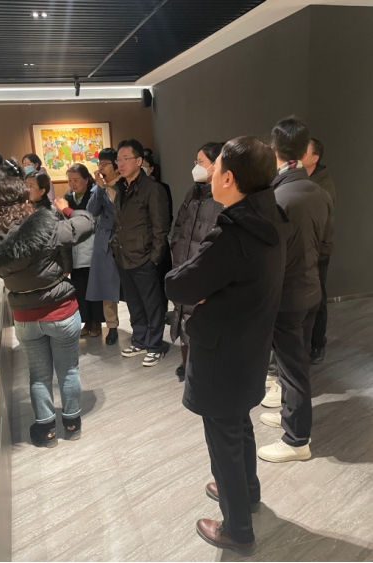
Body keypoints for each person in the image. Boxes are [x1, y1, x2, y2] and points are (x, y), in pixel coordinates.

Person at [165, 137, 288, 554]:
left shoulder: (233, 234)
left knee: (223, 441)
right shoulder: (273, 217)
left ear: (230, 178)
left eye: (214, 167)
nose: (209, 174)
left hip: (221, 352)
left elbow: (179, 285)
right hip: (251, 344)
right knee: (237, 426)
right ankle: (245, 491)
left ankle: (237, 529)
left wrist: (204, 293)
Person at [0, 159, 93, 448]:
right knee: (69, 371)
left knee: (39, 375)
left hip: (25, 317)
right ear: (24, 198)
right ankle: (72, 424)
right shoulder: (44, 226)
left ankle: (46, 430)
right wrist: (65, 208)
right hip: (60, 310)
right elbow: (86, 223)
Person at [258, 117, 333, 463]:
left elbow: (267, 257)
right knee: (296, 360)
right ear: (304, 151)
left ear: (273, 149)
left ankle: (296, 439)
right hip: (311, 288)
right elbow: (326, 246)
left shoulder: (275, 197)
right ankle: (291, 413)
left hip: (287, 295)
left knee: (292, 366)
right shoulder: (320, 192)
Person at [111, 139, 170, 367]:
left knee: (152, 304)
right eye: (119, 159)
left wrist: (154, 259)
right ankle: (140, 340)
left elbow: (160, 228)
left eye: (126, 159)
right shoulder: (120, 188)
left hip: (144, 257)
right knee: (133, 302)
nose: (121, 164)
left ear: (139, 161)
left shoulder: (153, 189)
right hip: (123, 256)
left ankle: (155, 346)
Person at [170, 141, 224, 381]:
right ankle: (188, 365)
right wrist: (176, 249)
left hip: (203, 273)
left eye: (201, 162)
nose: (196, 167)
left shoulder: (222, 199)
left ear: (216, 165)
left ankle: (202, 370)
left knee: (200, 322)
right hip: (184, 266)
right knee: (183, 317)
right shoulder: (193, 193)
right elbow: (179, 225)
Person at [301, 138, 336, 364]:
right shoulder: (299, 177)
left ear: (315, 158)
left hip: (318, 251)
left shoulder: (324, 185)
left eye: (305, 151)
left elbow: (326, 224)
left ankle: (317, 343)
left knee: (318, 297)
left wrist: (322, 251)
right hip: (302, 249)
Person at [64, 164, 104, 338]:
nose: (73, 184)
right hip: (75, 250)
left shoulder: (94, 195)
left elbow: (94, 221)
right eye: (70, 180)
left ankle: (97, 322)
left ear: (86, 180)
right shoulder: (68, 197)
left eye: (76, 180)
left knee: (94, 289)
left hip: (92, 248)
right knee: (80, 290)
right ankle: (86, 321)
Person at [86, 148, 121, 345]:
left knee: (130, 283)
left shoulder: (125, 185)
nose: (101, 168)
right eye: (99, 164)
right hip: (105, 238)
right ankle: (112, 326)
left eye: (105, 164)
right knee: (107, 283)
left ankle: (140, 324)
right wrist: (99, 188)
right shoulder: (98, 188)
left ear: (116, 166)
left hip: (125, 237)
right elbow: (91, 211)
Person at [142, 152, 173, 314]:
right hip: (141, 245)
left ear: (151, 169)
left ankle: (162, 312)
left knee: (160, 280)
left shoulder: (161, 188)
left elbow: (167, 216)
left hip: (158, 242)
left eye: (144, 166)